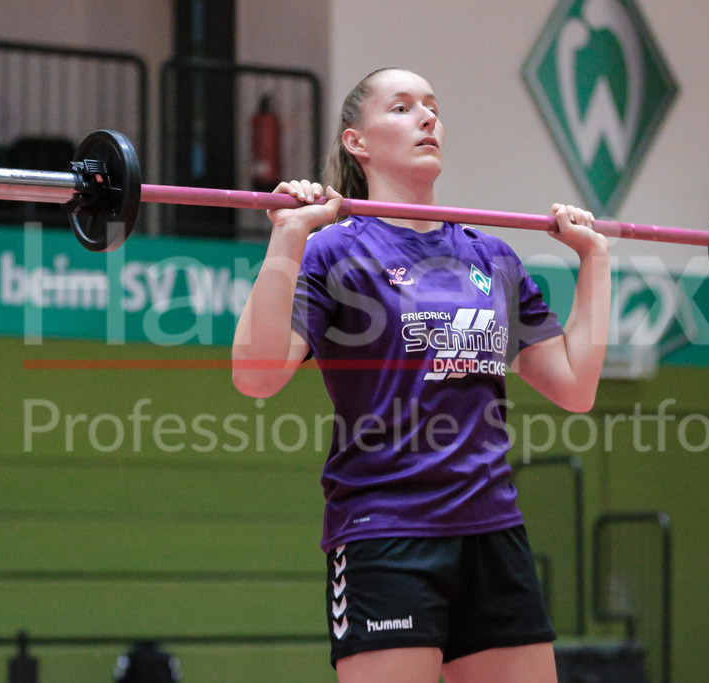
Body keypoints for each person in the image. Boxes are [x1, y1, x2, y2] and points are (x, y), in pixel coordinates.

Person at [232, 67, 611, 683]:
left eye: (432, 106)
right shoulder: (335, 250)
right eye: (402, 107)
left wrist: (594, 259)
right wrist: (289, 238)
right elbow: (256, 376)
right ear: (357, 141)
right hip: (387, 535)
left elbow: (575, 387)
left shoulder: (493, 257)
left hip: (493, 531)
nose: (427, 117)